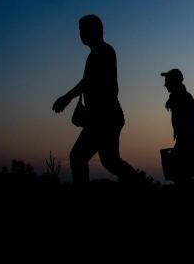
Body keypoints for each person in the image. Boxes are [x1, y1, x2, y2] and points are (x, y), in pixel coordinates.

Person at [52, 14, 138, 184]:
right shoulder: (96, 54)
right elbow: (88, 82)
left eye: (83, 29)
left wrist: (67, 97)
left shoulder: (104, 51)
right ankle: (138, 182)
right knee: (109, 161)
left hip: (104, 118)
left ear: (95, 30)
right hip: (104, 118)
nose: (80, 33)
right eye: (79, 30)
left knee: (78, 157)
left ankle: (138, 183)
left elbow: (89, 81)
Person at [161, 68, 194, 189]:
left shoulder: (182, 98)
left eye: (167, 81)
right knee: (179, 174)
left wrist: (183, 137)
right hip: (185, 139)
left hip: (186, 139)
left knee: (178, 174)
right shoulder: (179, 97)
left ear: (174, 82)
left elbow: (190, 122)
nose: (165, 84)